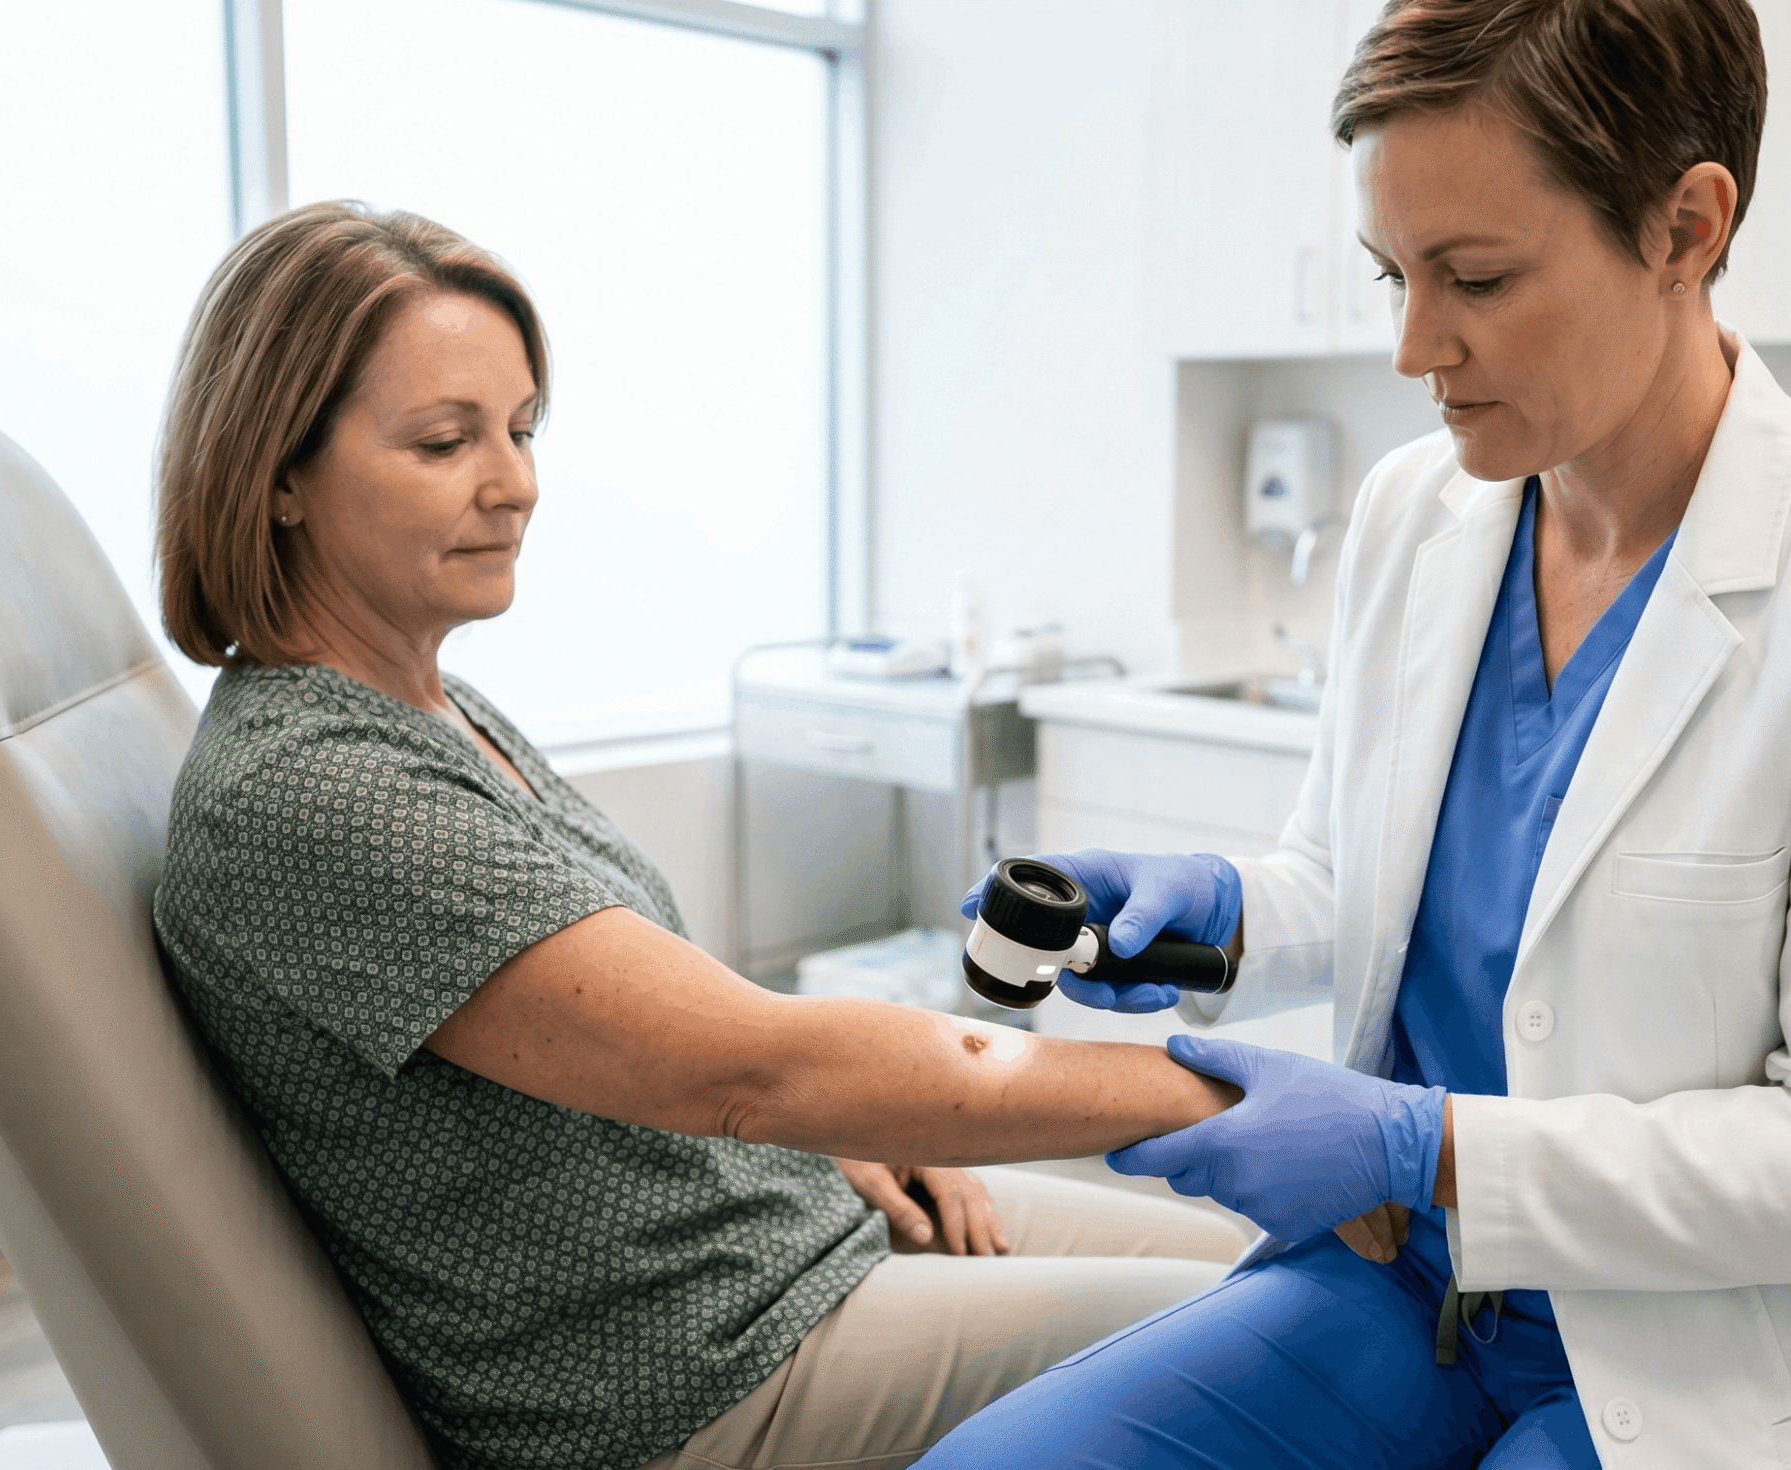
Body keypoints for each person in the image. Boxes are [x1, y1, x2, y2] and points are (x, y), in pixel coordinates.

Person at [923, 2, 1791, 1467]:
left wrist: (1423, 1143)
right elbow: (1359, 876)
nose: (1410, 346)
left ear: (1687, 227)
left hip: (1725, 1351)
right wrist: (1221, 908)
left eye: (1478, 277)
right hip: (1420, 1281)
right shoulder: (1417, 513)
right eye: (1396, 272)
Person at [147, 201, 1253, 1470]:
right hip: (689, 1379)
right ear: (277, 475)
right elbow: (747, 1070)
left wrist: (836, 1132)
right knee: (1261, 1342)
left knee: (1256, 1263)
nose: (515, 484)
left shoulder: (432, 707)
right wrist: (1229, 1099)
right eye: (445, 441)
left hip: (785, 1244)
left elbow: (663, 1035)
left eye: (520, 429)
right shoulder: (316, 791)